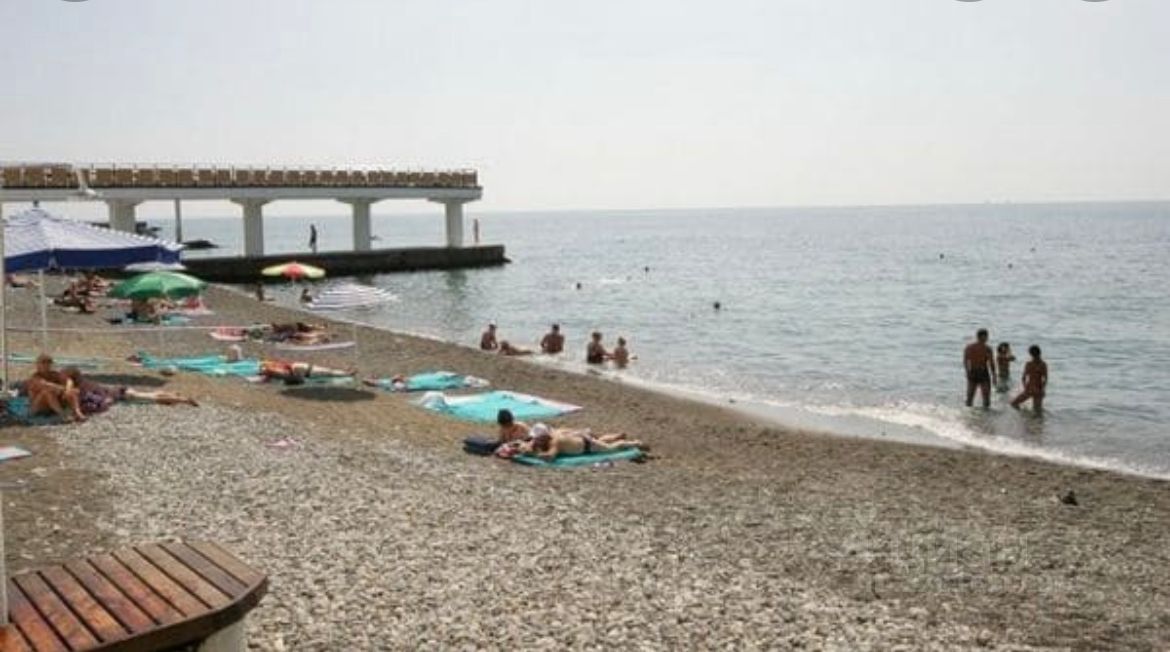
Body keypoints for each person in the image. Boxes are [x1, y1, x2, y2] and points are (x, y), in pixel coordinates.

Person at [62, 367, 198, 413]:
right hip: (122, 390)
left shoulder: (84, 388)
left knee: (152, 398)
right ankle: (174, 395)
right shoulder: (87, 383)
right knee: (150, 395)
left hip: (123, 394)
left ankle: (183, 400)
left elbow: (103, 399)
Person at [515, 426, 645, 460]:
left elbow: (550, 456)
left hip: (587, 445)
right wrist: (521, 446)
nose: (535, 440)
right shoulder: (550, 434)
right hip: (579, 436)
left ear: (544, 436)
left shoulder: (555, 442)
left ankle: (633, 443)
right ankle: (616, 436)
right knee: (600, 440)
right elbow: (531, 443)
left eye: (537, 438)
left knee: (610, 448)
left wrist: (534, 455)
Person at [24, 354, 86, 422]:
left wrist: (68, 389)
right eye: (43, 363)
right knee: (47, 392)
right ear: (38, 365)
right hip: (38, 406)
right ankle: (62, 414)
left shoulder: (54, 374)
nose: (46, 365)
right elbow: (46, 385)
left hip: (53, 404)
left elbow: (68, 380)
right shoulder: (35, 377)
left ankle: (77, 412)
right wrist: (63, 389)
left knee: (72, 392)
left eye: (48, 363)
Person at [963, 328, 996, 408]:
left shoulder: (969, 347)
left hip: (974, 372)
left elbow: (965, 361)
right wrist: (994, 375)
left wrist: (967, 372)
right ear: (982, 337)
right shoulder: (987, 349)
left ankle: (969, 412)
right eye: (986, 336)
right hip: (982, 372)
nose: (987, 338)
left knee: (971, 397)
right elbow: (991, 363)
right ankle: (984, 414)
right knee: (984, 397)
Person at [259, 358, 355, 385]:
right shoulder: (278, 371)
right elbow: (297, 377)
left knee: (329, 371)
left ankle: (346, 373)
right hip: (308, 371)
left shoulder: (277, 370)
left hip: (306, 369)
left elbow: (268, 377)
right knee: (329, 372)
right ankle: (347, 373)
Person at [1011, 345, 1048, 412]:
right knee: (1037, 410)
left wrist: (1025, 387)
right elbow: (1045, 378)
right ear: (1040, 353)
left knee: (1014, 404)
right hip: (1037, 389)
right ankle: (1027, 416)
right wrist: (1042, 389)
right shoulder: (1042, 364)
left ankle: (1025, 415)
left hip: (1031, 388)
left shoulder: (1029, 364)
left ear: (1030, 354)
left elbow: (1023, 378)